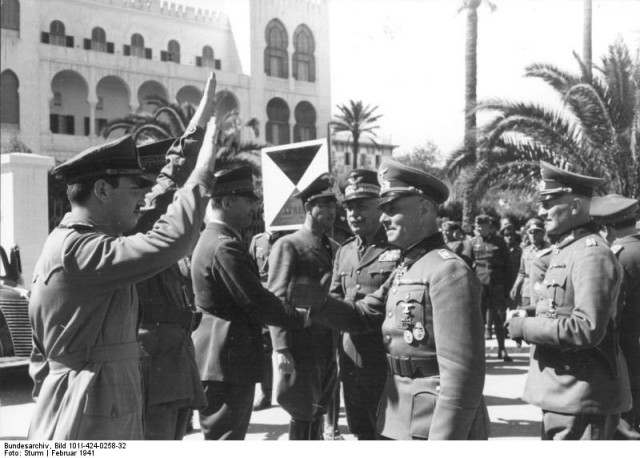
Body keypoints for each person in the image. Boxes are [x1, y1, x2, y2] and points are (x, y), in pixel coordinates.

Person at [27, 111, 219, 440]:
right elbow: (171, 240)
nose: (142, 198)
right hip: (89, 411)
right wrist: (202, 173)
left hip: (90, 403)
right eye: (134, 188)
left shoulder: (77, 242)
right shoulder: (81, 250)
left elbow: (156, 205)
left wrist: (195, 133)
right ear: (102, 190)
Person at [294, 159, 489, 440]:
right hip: (397, 413)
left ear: (423, 209)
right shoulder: (410, 265)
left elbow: (462, 378)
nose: (383, 218)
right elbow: (364, 315)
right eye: (383, 209)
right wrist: (316, 302)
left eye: (392, 209)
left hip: (431, 421)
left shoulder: (448, 270)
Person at [505, 161, 631, 440]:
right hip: (563, 392)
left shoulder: (591, 254)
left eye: (549, 203)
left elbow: (587, 327)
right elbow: (560, 307)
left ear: (575, 206)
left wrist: (525, 328)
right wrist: (528, 312)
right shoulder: (568, 250)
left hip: (582, 394)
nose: (541, 211)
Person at [190, 166, 305, 440]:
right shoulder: (225, 246)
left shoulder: (215, 240)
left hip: (222, 359)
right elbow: (257, 302)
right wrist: (303, 316)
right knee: (226, 439)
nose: (254, 207)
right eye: (249, 201)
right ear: (227, 201)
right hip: (226, 361)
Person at [132, 74, 217, 440]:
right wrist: (197, 132)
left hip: (175, 360)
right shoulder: (134, 229)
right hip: (154, 365)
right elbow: (169, 182)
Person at [267, 173, 340, 440]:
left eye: (334, 206)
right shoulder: (289, 245)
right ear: (309, 207)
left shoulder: (335, 247)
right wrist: (281, 347)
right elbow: (276, 299)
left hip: (327, 341)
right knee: (300, 409)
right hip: (301, 342)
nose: (332, 211)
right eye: (325, 205)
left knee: (319, 407)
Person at [329, 169, 400, 440]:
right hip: (351, 359)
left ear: (380, 208)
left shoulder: (397, 246)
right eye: (350, 208)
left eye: (362, 206)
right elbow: (335, 295)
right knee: (361, 432)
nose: (354, 214)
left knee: (388, 433)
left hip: (385, 360)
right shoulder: (345, 251)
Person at [590, 194, 640, 440]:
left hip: (630, 361)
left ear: (606, 228)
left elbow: (612, 319)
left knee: (625, 432)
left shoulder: (618, 256)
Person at [248, 230, 290, 411]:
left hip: (282, 298)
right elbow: (250, 268)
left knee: (287, 346)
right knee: (265, 349)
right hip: (263, 298)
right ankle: (266, 394)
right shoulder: (257, 240)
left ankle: (289, 393)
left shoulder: (287, 239)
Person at [463, 214, 513, 361]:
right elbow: (466, 265)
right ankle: (479, 352)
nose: (479, 229)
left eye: (482, 226)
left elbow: (508, 267)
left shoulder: (499, 241)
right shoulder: (472, 243)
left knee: (499, 317)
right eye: (477, 227)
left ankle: (502, 349)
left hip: (496, 283)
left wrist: (507, 288)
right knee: (479, 319)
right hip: (479, 285)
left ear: (489, 227)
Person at [510, 218, 550, 316]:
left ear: (543, 233)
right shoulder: (526, 251)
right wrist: (516, 286)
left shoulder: (550, 250)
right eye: (530, 232)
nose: (533, 235)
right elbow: (522, 272)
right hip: (527, 291)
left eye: (536, 232)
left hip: (542, 291)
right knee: (525, 316)